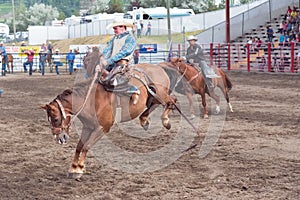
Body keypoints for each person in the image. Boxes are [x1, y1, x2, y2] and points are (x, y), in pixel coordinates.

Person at [100, 19, 139, 104]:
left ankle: (134, 90)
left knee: (113, 79)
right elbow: (108, 50)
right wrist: (102, 58)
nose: (114, 30)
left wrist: (108, 61)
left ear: (122, 27)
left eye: (115, 28)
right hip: (113, 63)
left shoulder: (130, 38)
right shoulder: (114, 38)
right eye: (114, 28)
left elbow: (124, 52)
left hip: (124, 64)